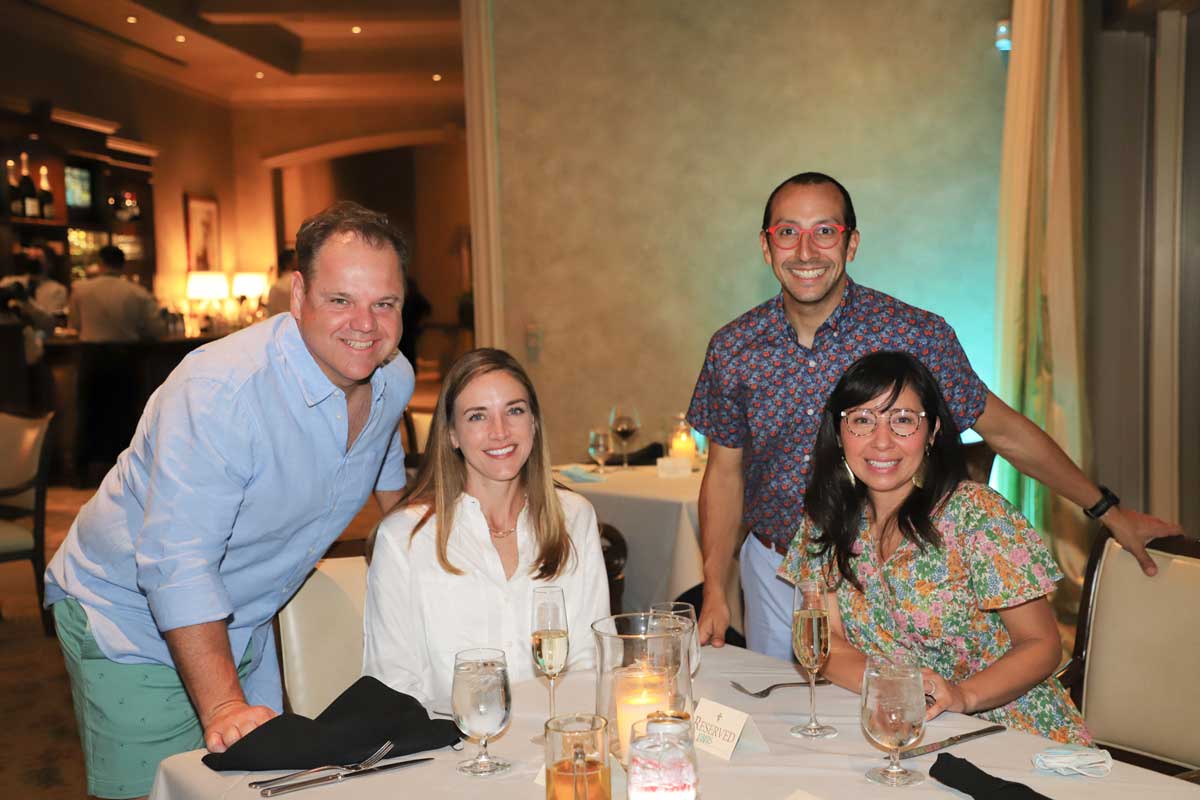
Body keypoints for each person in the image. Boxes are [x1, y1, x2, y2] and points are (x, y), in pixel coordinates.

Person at [688, 172, 1182, 660]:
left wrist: (1108, 511)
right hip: (777, 570)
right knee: (789, 726)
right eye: (788, 232)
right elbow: (725, 474)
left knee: (898, 719)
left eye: (825, 231)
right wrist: (715, 584)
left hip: (889, 580)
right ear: (766, 245)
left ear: (851, 243)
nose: (806, 251)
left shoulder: (914, 335)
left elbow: (1006, 432)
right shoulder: (734, 348)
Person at [44, 201, 412, 800]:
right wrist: (222, 705)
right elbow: (175, 561)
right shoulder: (222, 392)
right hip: (131, 620)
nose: (364, 324)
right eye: (340, 299)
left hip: (245, 616)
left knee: (258, 789)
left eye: (384, 303)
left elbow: (386, 459)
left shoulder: (391, 376)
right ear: (298, 294)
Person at [779, 351, 1089, 743]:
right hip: (895, 726)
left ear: (933, 432)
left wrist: (962, 695)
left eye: (903, 421)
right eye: (862, 420)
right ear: (839, 434)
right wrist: (898, 693)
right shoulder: (825, 520)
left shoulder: (975, 514)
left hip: (1007, 726)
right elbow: (829, 646)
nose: (882, 441)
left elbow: (1042, 645)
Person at [363, 348, 609, 707]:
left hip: (556, 740)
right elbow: (394, 685)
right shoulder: (403, 538)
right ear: (452, 436)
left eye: (514, 411)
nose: (500, 431)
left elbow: (592, 660)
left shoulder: (574, 517)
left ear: (534, 423)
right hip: (451, 750)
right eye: (478, 416)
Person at [67, 245, 165, 342]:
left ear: (100, 262)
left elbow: (75, 324)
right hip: (129, 354)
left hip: (90, 354)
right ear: (123, 265)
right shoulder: (138, 292)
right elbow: (157, 330)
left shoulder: (80, 289)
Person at [266, 248, 297, 317]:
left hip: (280, 324)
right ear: (288, 264)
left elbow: (270, 313)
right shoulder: (300, 283)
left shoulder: (274, 287)